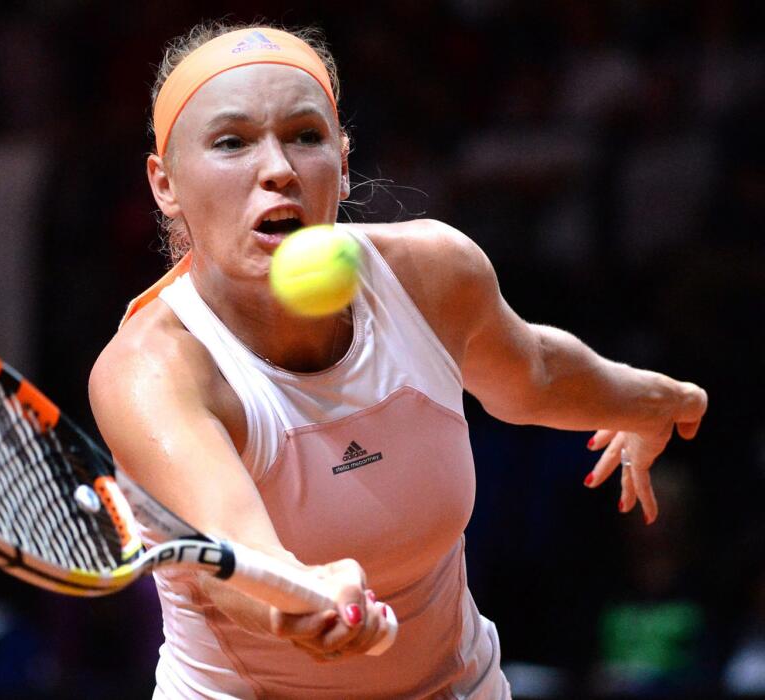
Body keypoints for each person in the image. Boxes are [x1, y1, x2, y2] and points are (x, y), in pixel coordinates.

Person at [87, 22, 708, 699]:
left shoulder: (432, 275)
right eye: (232, 142)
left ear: (344, 162)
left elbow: (534, 371)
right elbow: (232, 555)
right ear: (166, 183)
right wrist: (304, 597)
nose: (278, 169)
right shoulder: (152, 372)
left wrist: (653, 400)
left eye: (305, 135)